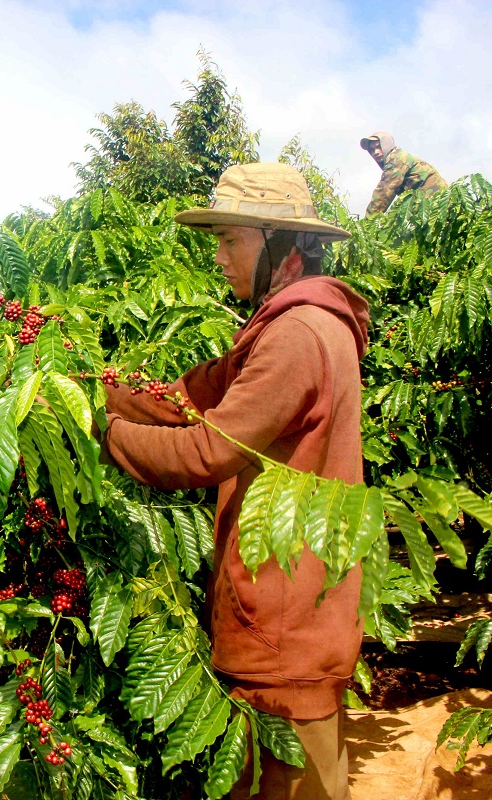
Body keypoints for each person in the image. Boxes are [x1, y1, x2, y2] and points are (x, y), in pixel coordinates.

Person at [99, 163, 370, 799]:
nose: (218, 256)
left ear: (278, 243)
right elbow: (191, 399)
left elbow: (203, 450)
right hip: (285, 623)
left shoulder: (298, 335)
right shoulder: (282, 327)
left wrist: (103, 434)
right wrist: (97, 394)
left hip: (285, 635)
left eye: (230, 240)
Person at [361, 131, 445, 216]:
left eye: (378, 147)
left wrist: (367, 223)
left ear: (386, 144)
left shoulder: (396, 160)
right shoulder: (398, 159)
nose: (375, 152)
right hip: (431, 204)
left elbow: (383, 194)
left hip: (437, 203)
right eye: (372, 150)